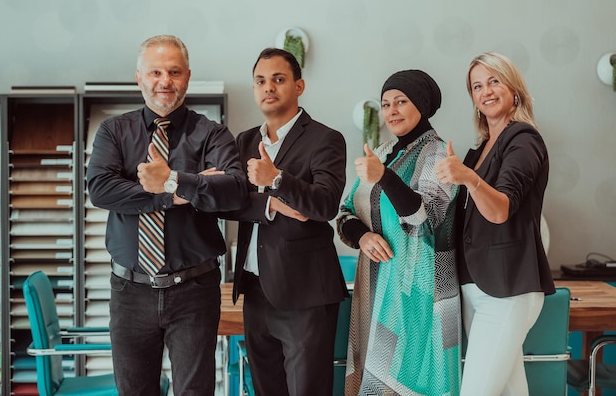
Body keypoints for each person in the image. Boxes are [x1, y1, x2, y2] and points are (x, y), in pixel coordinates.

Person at [86, 34, 247, 395]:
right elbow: (101, 189)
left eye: (174, 72)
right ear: (139, 77)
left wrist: (172, 179)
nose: (165, 81)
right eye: (155, 72)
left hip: (194, 290)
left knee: (195, 391)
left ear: (187, 77)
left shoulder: (212, 134)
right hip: (130, 290)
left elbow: (234, 191)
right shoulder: (114, 131)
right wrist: (176, 194)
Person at [225, 47, 349, 396]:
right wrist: (272, 204)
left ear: (299, 86)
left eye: (278, 79)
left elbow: (325, 205)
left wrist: (277, 178)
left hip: (305, 292)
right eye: (261, 81)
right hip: (254, 289)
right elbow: (229, 204)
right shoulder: (245, 140)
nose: (269, 87)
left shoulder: (325, 139)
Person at [434, 52, 555, 396]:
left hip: (507, 288)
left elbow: (500, 209)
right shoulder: (479, 150)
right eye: (476, 86)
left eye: (494, 81)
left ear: (513, 88)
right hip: (477, 287)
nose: (485, 91)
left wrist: (469, 179)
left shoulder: (524, 139)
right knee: (509, 392)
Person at [336, 70, 461, 395]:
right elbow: (345, 212)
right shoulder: (380, 152)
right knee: (374, 376)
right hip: (377, 288)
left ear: (420, 104)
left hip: (421, 293)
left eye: (401, 102)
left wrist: (386, 179)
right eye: (385, 103)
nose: (391, 110)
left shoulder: (438, 155)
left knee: (406, 382)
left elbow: (427, 221)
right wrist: (362, 236)